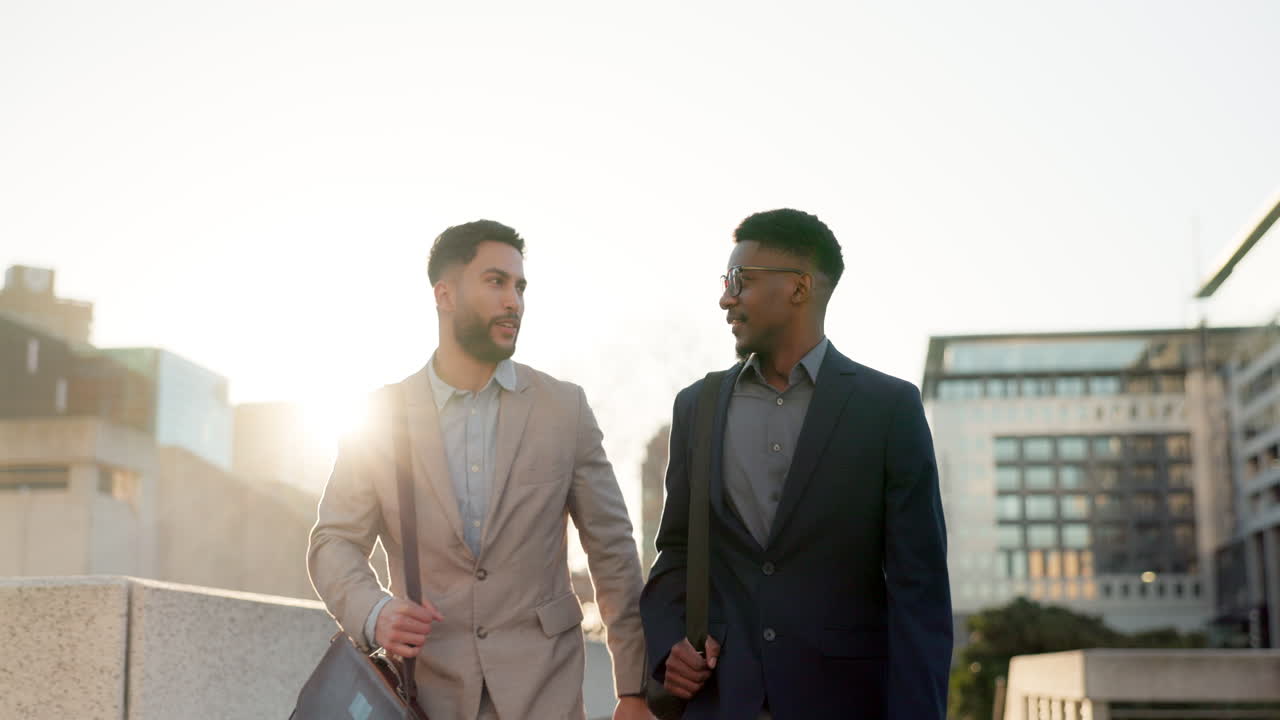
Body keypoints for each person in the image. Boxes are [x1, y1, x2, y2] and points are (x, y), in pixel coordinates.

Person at [308, 220, 650, 720]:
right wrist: (375, 612)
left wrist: (635, 690)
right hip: (426, 694)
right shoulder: (382, 416)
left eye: (520, 286)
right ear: (444, 294)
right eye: (496, 282)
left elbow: (613, 550)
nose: (514, 301)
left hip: (545, 693)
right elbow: (333, 540)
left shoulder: (564, 408)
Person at [640, 208, 952, 719]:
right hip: (722, 702)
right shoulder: (697, 406)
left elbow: (919, 590)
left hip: (847, 702)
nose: (726, 297)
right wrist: (670, 642)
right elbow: (676, 553)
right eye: (726, 282)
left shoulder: (889, 408)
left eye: (740, 280)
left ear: (800, 287)